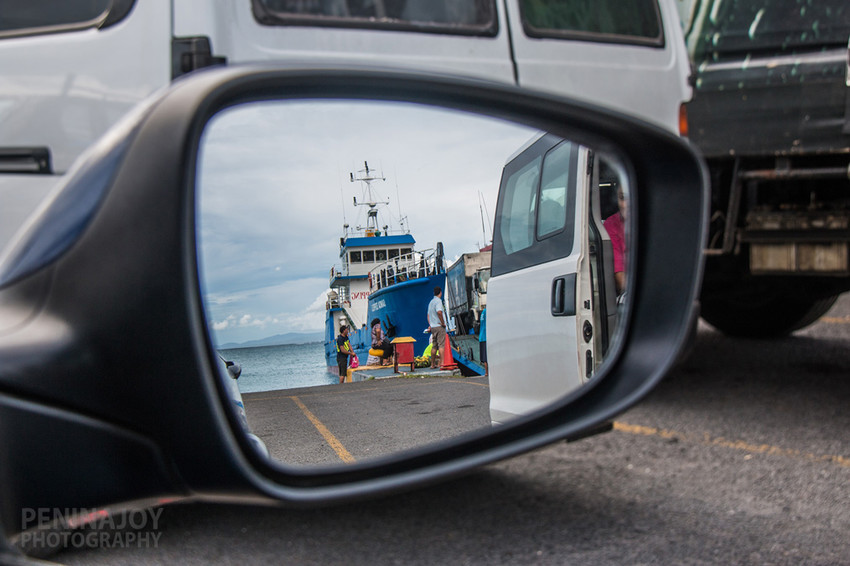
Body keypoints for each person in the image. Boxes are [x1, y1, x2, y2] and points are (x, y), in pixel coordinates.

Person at [603, 186, 627, 294]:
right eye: (622, 198)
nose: (626, 204)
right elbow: (621, 279)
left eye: (633, 196)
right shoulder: (612, 224)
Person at [427, 286, 446, 369]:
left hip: (433, 327)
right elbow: (439, 312)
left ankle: (432, 364)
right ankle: (442, 363)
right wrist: (443, 323)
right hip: (439, 326)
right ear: (440, 292)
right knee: (441, 345)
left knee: (434, 346)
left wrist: (430, 324)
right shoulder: (438, 301)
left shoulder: (431, 302)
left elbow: (428, 315)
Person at [478, 306, 488, 376]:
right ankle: (487, 372)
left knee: (484, 357)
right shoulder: (488, 312)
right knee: (487, 357)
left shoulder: (483, 312)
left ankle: (486, 372)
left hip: (481, 336)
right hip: (486, 336)